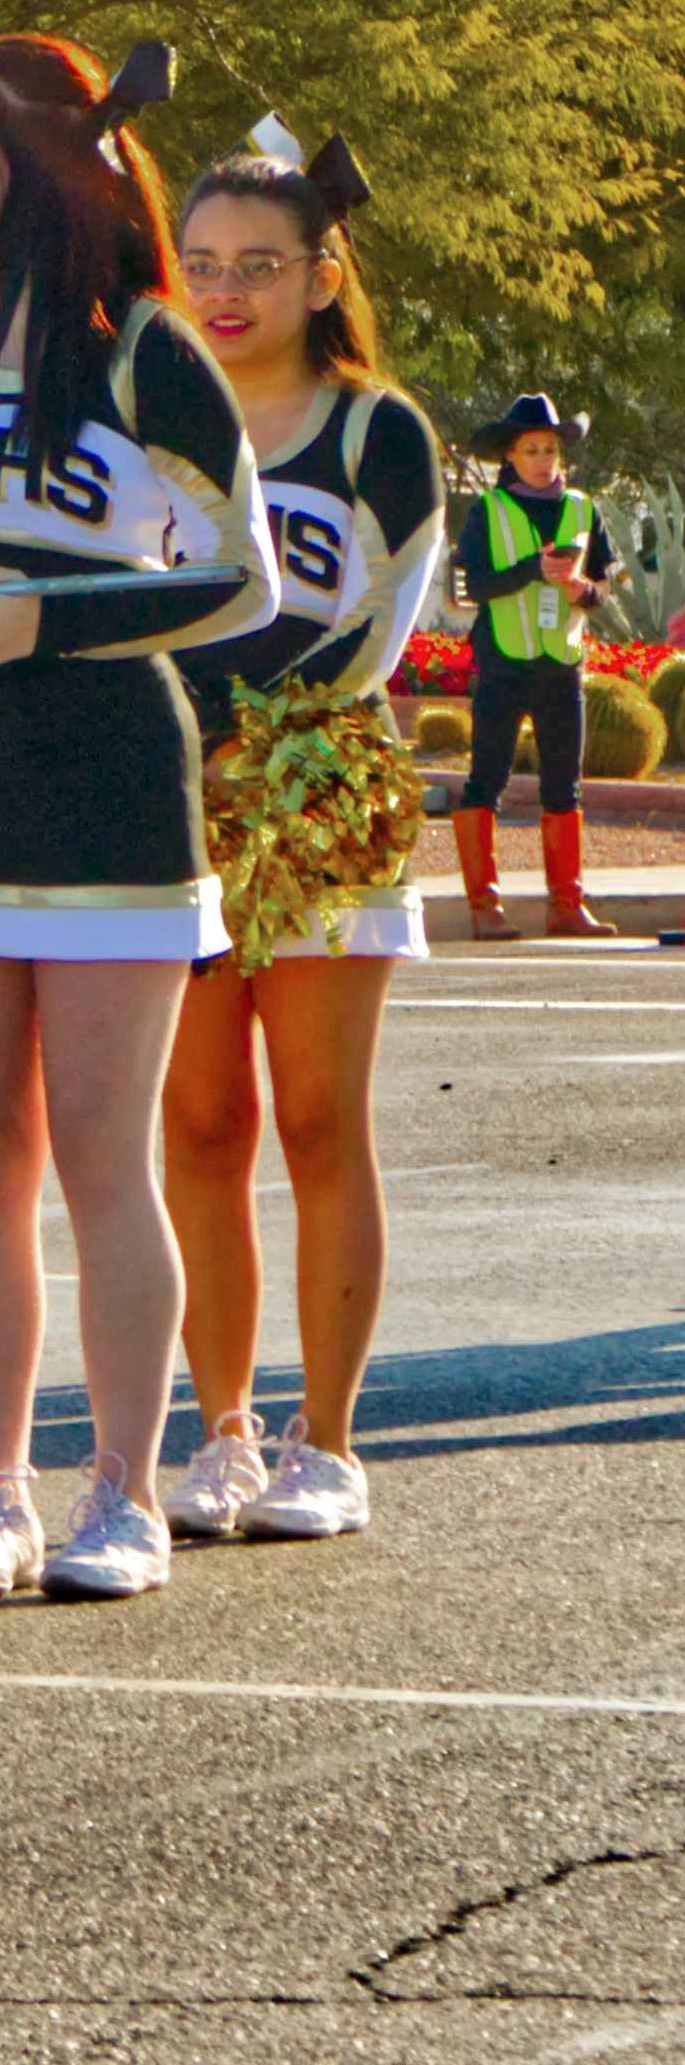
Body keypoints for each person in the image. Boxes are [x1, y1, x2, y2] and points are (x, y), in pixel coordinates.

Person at [0, 37, 279, 1605]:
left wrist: (49, 623)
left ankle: (128, 1494)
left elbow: (243, 577)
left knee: (101, 1152)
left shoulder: (145, 343)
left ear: (21, 154)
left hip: (108, 787)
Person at [159, 126, 443, 1550]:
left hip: (321, 786)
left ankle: (325, 1442)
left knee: (320, 1121)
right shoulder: (148, 418)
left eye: (256, 267)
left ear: (321, 273)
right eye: (199, 264)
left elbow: (372, 625)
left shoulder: (375, 429)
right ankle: (215, 1431)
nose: (224, 293)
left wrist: (236, 726)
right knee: (197, 1123)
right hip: (163, 801)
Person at [449, 390, 618, 940]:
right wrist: (530, 571)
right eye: (531, 449)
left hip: (561, 663)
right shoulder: (488, 511)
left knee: (564, 784)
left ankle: (567, 906)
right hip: (502, 661)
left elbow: (604, 586)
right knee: (487, 777)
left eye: (550, 449)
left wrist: (582, 591)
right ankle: (484, 908)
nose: (544, 459)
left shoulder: (582, 507)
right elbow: (474, 583)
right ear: (511, 456)